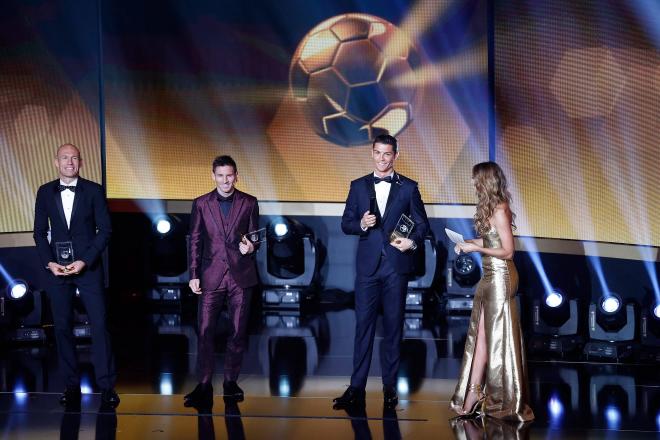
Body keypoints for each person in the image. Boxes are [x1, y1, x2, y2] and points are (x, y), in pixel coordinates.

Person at [334, 134, 430, 410]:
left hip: (396, 267)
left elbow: (422, 225)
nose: (382, 158)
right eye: (378, 153)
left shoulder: (409, 188)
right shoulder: (358, 186)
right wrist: (361, 224)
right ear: (372, 153)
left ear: (395, 156)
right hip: (368, 266)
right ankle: (356, 388)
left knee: (393, 328)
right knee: (362, 327)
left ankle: (390, 387)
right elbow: (346, 223)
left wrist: (412, 241)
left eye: (387, 154)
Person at [33, 143, 119, 409]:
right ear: (55, 162)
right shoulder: (45, 192)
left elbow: (105, 230)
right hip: (57, 270)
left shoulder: (93, 190)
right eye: (64, 158)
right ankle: (71, 386)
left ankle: (107, 387)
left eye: (74, 158)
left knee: (100, 325)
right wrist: (49, 262)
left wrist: (86, 260)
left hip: (88, 267)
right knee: (61, 328)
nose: (69, 162)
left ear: (80, 162)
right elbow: (39, 232)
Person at [449, 161, 534, 421]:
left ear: (486, 181)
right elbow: (490, 240)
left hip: (502, 277)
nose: (473, 185)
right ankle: (474, 393)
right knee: (481, 337)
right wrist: (466, 244)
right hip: (489, 276)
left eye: (476, 180)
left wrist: (478, 249)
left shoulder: (500, 210)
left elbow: (508, 251)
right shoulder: (489, 208)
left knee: (494, 339)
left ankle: (498, 397)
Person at [184, 155, 259, 408]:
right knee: (205, 332)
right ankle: (204, 384)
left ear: (236, 176)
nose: (226, 180)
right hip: (210, 276)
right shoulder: (201, 204)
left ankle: (230, 382)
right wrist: (193, 274)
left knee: (238, 333)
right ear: (213, 175)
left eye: (230, 175)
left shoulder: (249, 202)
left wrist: (251, 247)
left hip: (240, 276)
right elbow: (194, 240)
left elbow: (254, 236)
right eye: (221, 175)